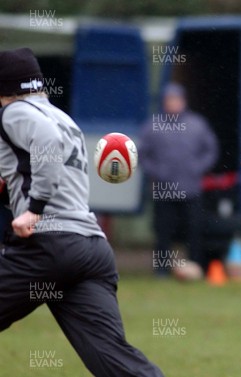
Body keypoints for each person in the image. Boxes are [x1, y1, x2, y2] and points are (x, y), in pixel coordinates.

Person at [0, 48, 164, 376]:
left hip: (50, 244)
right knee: (115, 360)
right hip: (90, 249)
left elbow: (45, 144)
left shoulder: (15, 112)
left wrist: (34, 208)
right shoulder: (62, 117)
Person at [138, 82, 219, 276]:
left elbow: (211, 150)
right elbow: (141, 154)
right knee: (163, 231)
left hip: (191, 189)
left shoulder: (197, 124)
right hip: (163, 189)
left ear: (183, 101)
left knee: (194, 229)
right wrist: (156, 172)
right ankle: (161, 270)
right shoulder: (152, 126)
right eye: (169, 99)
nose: (173, 103)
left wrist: (197, 168)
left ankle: (195, 268)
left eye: (176, 99)